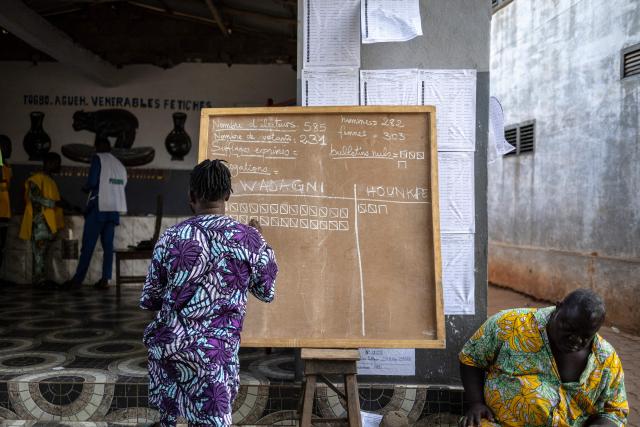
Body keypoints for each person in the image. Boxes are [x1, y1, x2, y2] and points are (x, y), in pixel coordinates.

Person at [140, 159, 278, 427]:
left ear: (191, 196)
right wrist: (261, 242)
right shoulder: (248, 239)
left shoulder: (170, 238)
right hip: (215, 358)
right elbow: (266, 290)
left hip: (171, 353)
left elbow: (151, 299)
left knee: (173, 420)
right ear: (227, 195)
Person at [459, 289, 628, 427]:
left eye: (585, 336)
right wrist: (476, 403)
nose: (575, 340)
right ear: (558, 307)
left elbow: (615, 411)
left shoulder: (606, 358)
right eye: (568, 328)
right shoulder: (509, 324)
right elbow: (471, 357)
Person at [65, 139, 127, 289]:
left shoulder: (97, 158)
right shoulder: (118, 164)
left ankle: (77, 280)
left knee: (88, 246)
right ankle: (105, 280)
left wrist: (85, 188)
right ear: (110, 147)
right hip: (113, 210)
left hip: (98, 208)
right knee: (108, 247)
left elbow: (92, 182)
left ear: (98, 147)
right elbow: (123, 183)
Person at [19, 152, 65, 286]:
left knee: (44, 253)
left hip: (49, 222)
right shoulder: (36, 179)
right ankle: (39, 280)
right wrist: (53, 203)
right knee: (38, 252)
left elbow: (57, 200)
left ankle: (42, 278)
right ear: (49, 163)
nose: (59, 166)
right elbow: (34, 197)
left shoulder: (50, 180)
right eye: (57, 163)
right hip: (39, 221)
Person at [0, 135, 12, 274]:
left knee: (2, 246)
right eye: (5, 146)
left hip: (5, 213)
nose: (10, 149)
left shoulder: (6, 166)